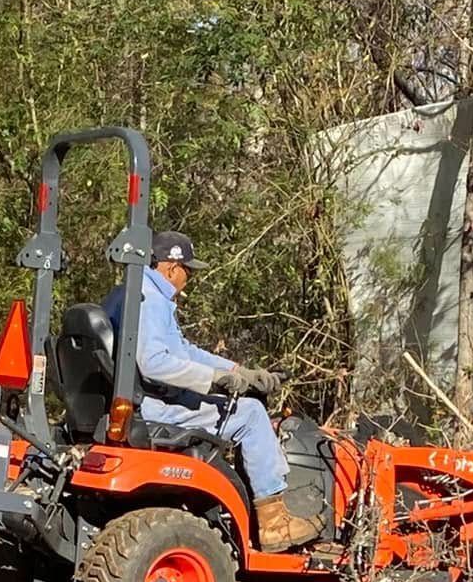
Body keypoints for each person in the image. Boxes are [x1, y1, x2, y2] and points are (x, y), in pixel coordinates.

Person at [101, 230, 319, 553]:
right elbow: (154, 363)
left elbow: (182, 350)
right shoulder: (149, 300)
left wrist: (235, 371)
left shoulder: (128, 293)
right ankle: (273, 523)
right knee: (253, 415)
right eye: (187, 270)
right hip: (155, 407)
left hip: (145, 399)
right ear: (171, 267)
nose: (188, 278)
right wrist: (213, 379)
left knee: (242, 406)